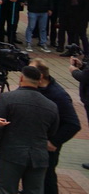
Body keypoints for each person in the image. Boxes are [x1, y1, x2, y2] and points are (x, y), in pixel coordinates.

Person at [0, 65, 59, 194]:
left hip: (11, 154)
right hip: (38, 157)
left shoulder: (7, 98)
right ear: (39, 80)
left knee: (7, 190)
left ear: (21, 78)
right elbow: (52, 132)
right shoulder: (51, 106)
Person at [30, 59, 81, 194]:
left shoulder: (58, 95)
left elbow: (73, 124)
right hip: (34, 143)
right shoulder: (33, 88)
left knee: (47, 178)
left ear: (40, 77)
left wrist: (54, 141)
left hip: (47, 146)